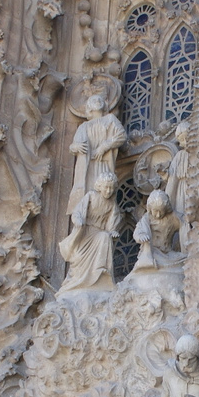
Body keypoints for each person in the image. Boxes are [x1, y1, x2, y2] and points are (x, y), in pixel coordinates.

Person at [67, 83, 127, 220]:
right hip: (88, 167)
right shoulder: (84, 126)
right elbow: (73, 146)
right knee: (88, 195)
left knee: (104, 192)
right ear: (88, 108)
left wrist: (104, 146)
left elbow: (121, 136)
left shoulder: (110, 119)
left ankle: (102, 221)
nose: (96, 100)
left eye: (99, 99)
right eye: (92, 100)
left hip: (103, 164)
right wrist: (75, 147)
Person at [58, 170, 121, 292]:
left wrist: (112, 231)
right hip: (86, 232)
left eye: (111, 188)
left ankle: (99, 270)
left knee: (104, 237)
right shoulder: (91, 196)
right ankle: (77, 279)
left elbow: (113, 221)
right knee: (79, 258)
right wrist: (78, 220)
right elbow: (78, 211)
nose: (108, 191)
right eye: (106, 187)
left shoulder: (111, 204)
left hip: (99, 233)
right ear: (100, 186)